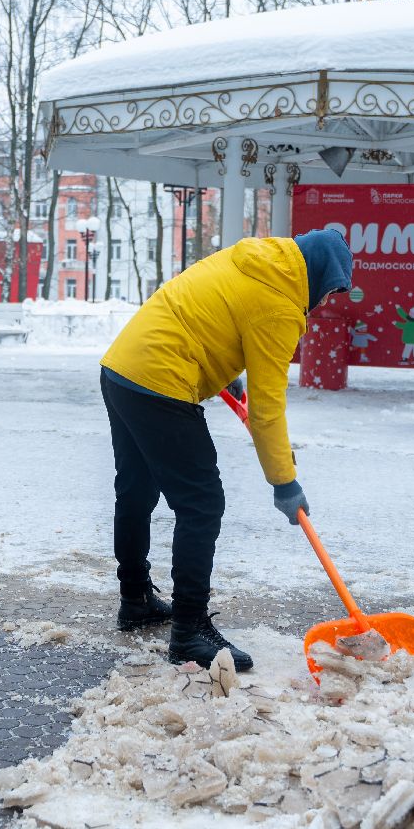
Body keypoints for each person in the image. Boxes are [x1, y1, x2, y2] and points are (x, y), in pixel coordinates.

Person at [99, 226, 354, 670]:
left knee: (137, 491)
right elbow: (268, 407)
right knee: (202, 504)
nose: (327, 301)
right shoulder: (281, 304)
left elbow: (208, 314)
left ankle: (135, 597)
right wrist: (283, 481)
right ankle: (189, 631)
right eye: (330, 290)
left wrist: (221, 373)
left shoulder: (253, 258)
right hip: (162, 380)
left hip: (124, 368)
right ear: (315, 275)